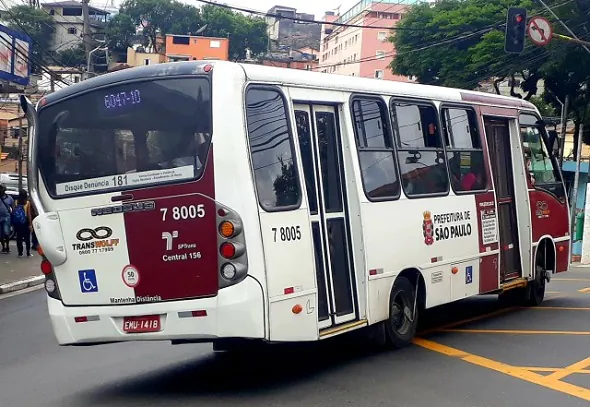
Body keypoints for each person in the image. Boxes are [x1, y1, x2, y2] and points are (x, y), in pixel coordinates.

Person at [12, 189, 32, 257]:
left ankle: (20, 253)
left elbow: (14, 212)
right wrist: (30, 224)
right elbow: (29, 214)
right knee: (27, 238)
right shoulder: (27, 203)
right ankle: (28, 253)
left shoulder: (15, 202)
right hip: (25, 222)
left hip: (18, 222)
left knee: (19, 238)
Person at [0, 183, 14, 253]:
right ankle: (3, 247)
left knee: (6, 233)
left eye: (1, 188)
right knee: (0, 234)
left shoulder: (9, 198)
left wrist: (13, 216)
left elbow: (13, 208)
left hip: (6, 217)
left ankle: (7, 246)